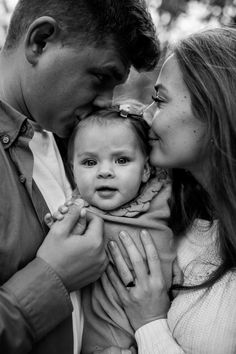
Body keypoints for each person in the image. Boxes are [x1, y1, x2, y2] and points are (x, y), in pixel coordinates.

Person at [0, 0, 159, 353]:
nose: (108, 102)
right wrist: (50, 278)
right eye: (101, 77)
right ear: (40, 41)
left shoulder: (66, 137)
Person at [104, 27, 236, 353]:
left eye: (160, 100)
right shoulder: (180, 219)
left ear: (216, 105)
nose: (147, 116)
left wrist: (149, 323)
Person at [46, 101, 175, 353]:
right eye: (90, 163)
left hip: (164, 328)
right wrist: (61, 221)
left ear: (147, 169)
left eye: (122, 160)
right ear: (72, 171)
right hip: (102, 341)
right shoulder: (78, 214)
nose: (105, 171)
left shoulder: (163, 196)